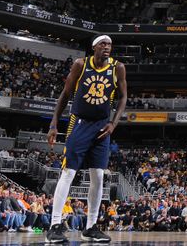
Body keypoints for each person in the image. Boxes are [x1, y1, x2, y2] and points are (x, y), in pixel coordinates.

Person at [45, 35, 127, 243]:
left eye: (109, 44)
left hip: (101, 127)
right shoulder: (81, 65)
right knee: (68, 172)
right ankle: (55, 225)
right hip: (79, 123)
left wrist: (114, 123)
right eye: (103, 44)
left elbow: (123, 97)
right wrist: (54, 124)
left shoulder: (118, 68)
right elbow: (65, 94)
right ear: (94, 48)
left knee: (99, 176)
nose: (107, 47)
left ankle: (90, 227)